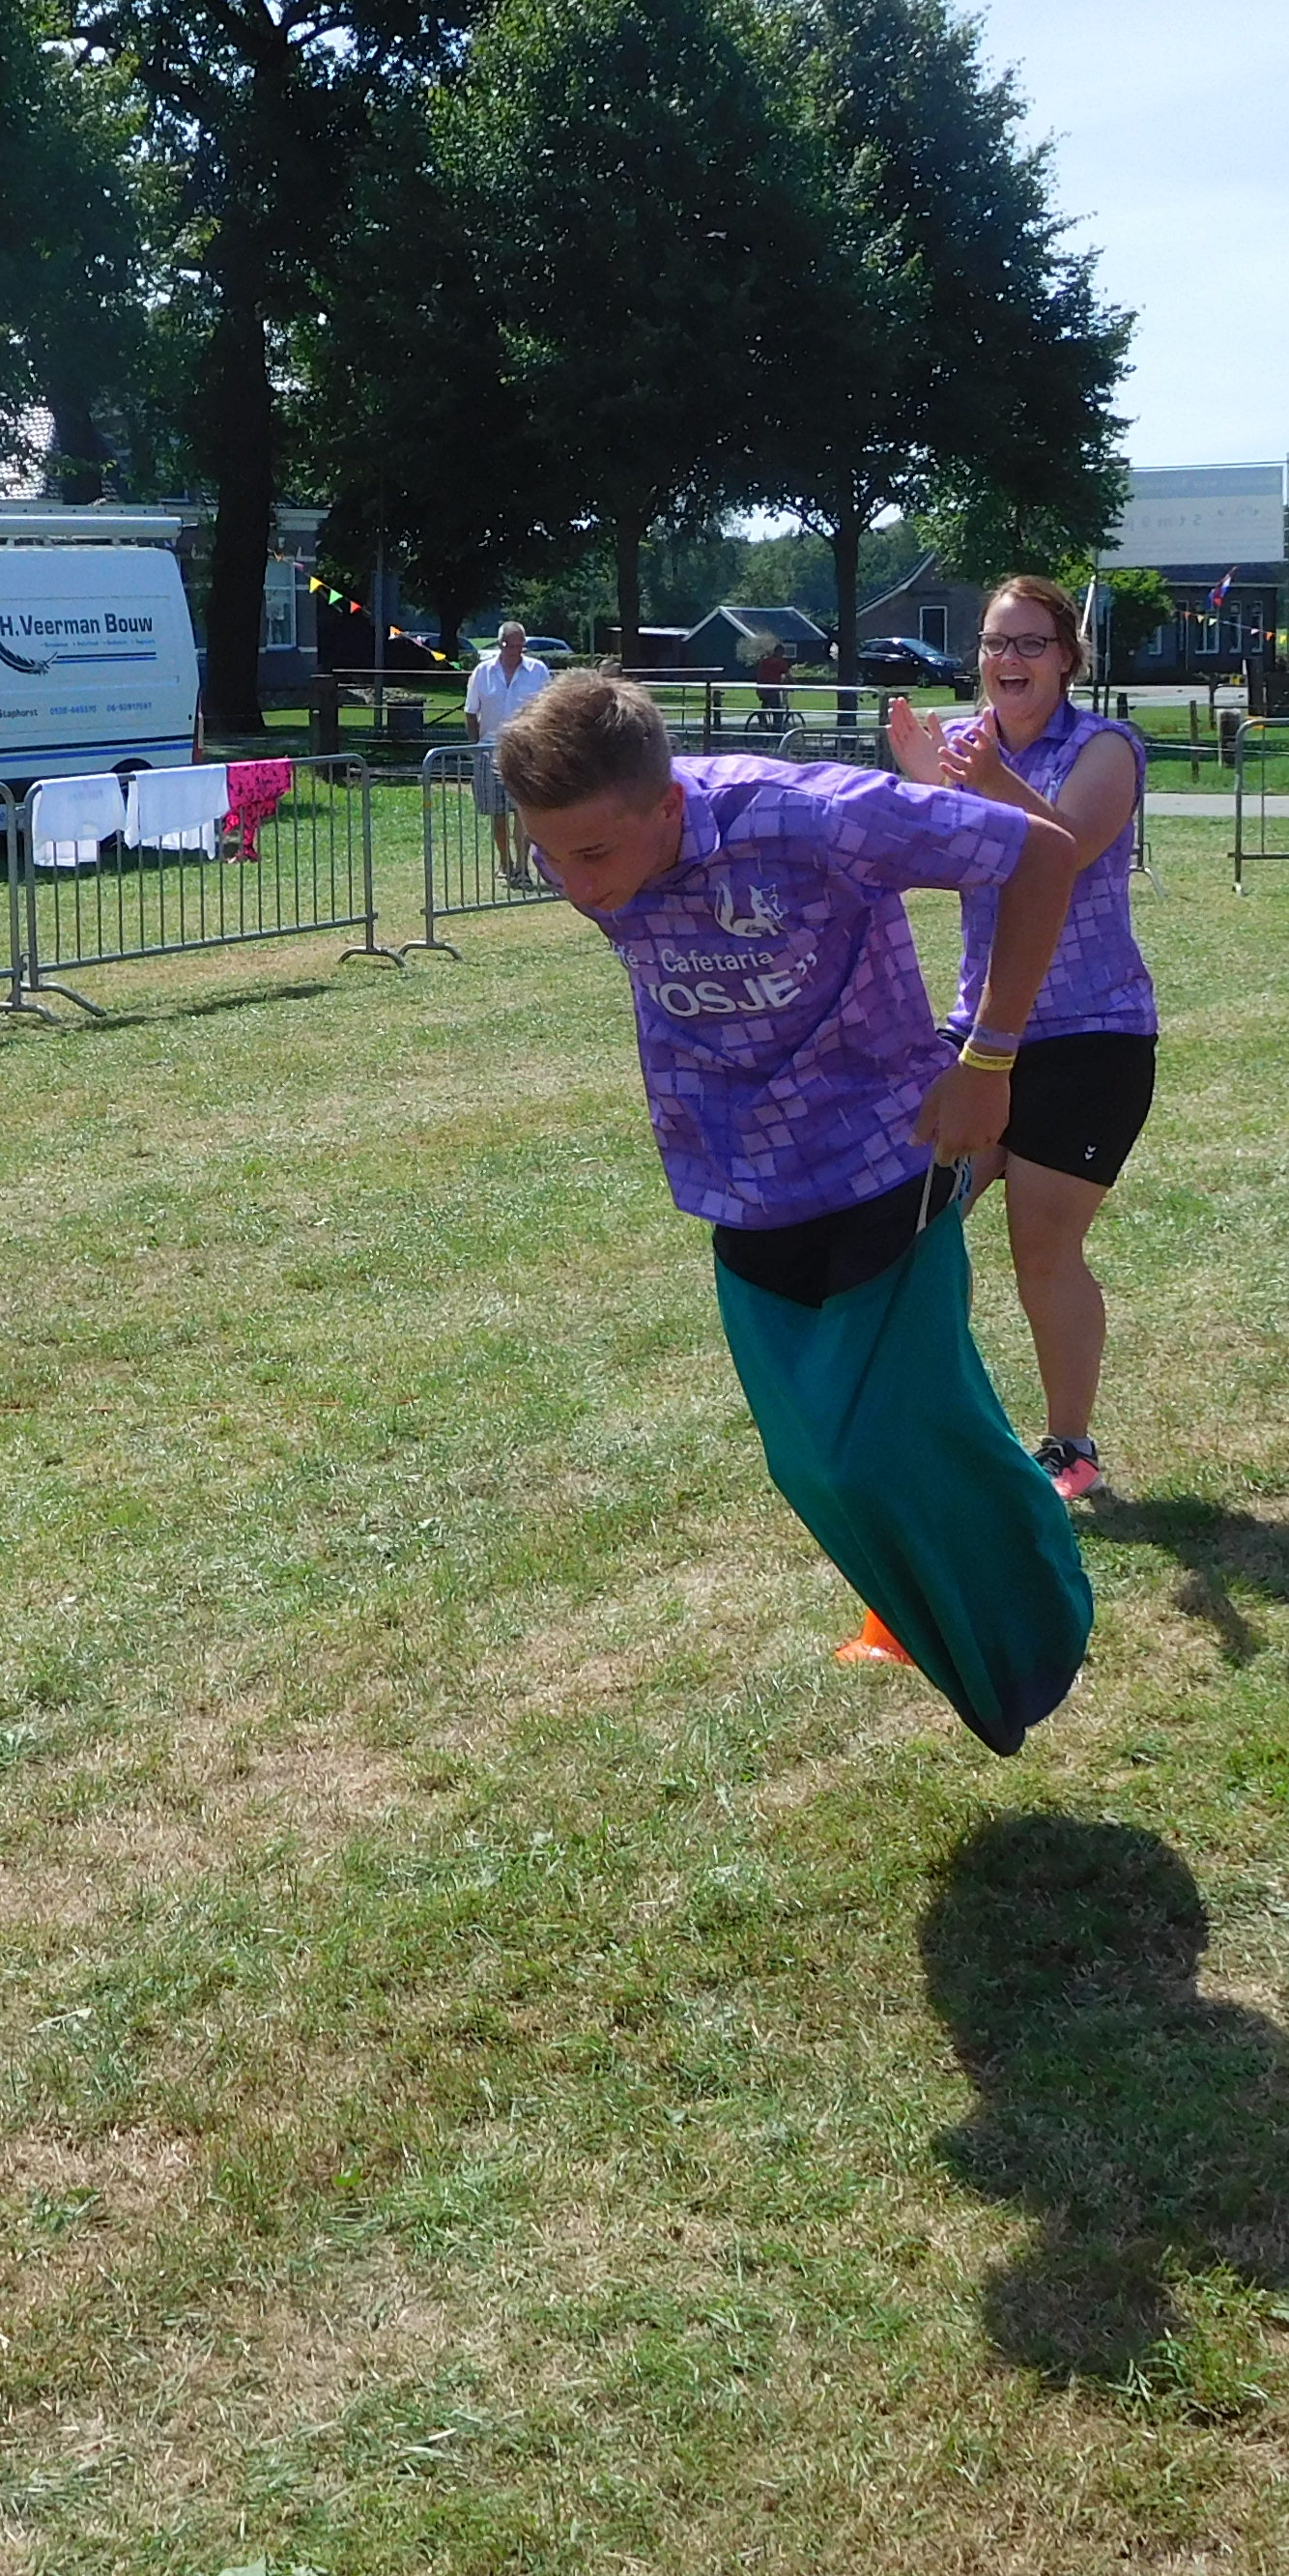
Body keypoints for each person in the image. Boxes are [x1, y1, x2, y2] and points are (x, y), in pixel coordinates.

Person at [496, 669, 1090, 1755]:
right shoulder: (606, 854)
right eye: (550, 857)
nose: (576, 888)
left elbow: (1042, 854)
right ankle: (968, 1636)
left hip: (882, 1161)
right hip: (735, 1180)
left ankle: (1035, 1630)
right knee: (814, 1467)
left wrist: (989, 1057)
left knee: (888, 1451)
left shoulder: (809, 815)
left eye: (592, 855)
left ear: (668, 804)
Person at [887, 573, 1156, 1501]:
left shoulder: (1104, 748)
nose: (1010, 659)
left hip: (1092, 1034)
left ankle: (1070, 1447)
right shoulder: (967, 746)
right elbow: (937, 859)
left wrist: (985, 781)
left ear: (1067, 659)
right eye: (996, 643)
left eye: (1031, 643)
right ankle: (937, 1428)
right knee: (915, 1225)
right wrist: (920, 785)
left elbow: (1065, 851)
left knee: (1041, 1244)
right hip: (979, 1029)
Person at [464, 619, 555, 890]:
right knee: (498, 813)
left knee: (523, 811)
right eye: (509, 645)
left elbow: (549, 709)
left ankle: (523, 868)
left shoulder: (538, 671)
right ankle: (505, 863)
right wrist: (476, 747)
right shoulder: (482, 672)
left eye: (519, 645)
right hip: (489, 751)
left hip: (526, 752)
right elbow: (471, 712)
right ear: (499, 644)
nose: (514, 651)